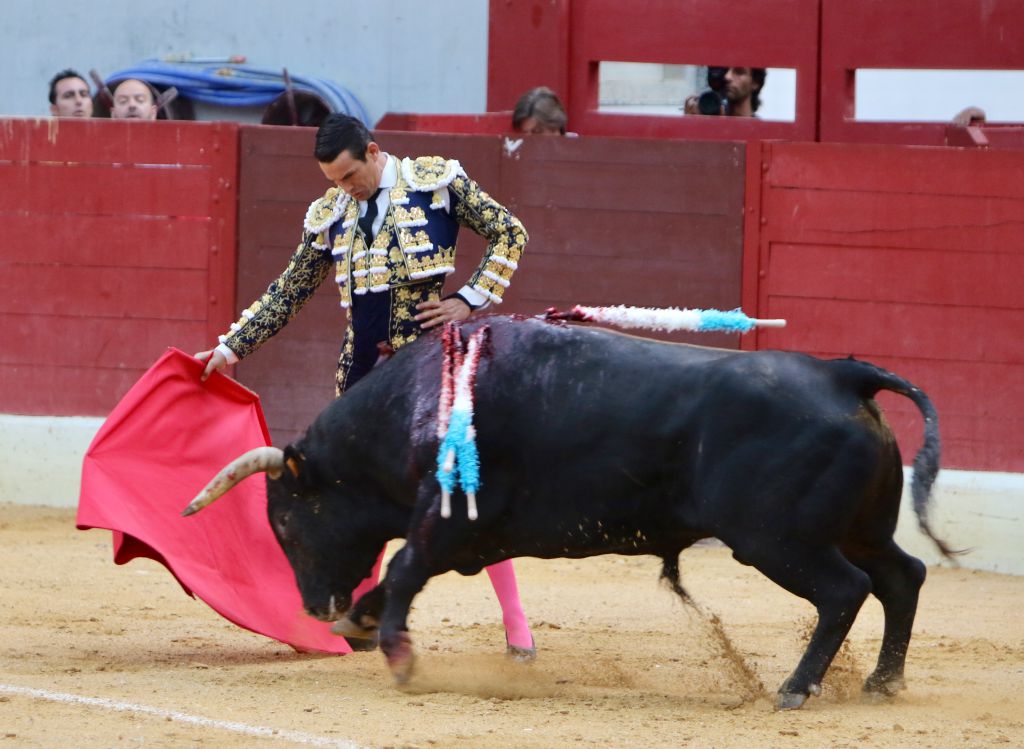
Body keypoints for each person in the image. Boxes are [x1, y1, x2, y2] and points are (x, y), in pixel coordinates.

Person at [196, 113, 534, 656]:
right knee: (356, 493)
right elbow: (290, 289)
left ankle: (516, 623)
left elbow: (509, 232)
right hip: (362, 378)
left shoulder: (435, 183)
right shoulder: (331, 213)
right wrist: (229, 348)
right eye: (333, 181)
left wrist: (466, 300)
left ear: (374, 152)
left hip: (429, 365)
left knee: (466, 483)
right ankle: (362, 620)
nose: (345, 189)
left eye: (350, 176)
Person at [684, 66, 767, 117]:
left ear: (755, 82)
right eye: (725, 71)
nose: (727, 77)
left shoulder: (761, 132)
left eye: (739, 72)